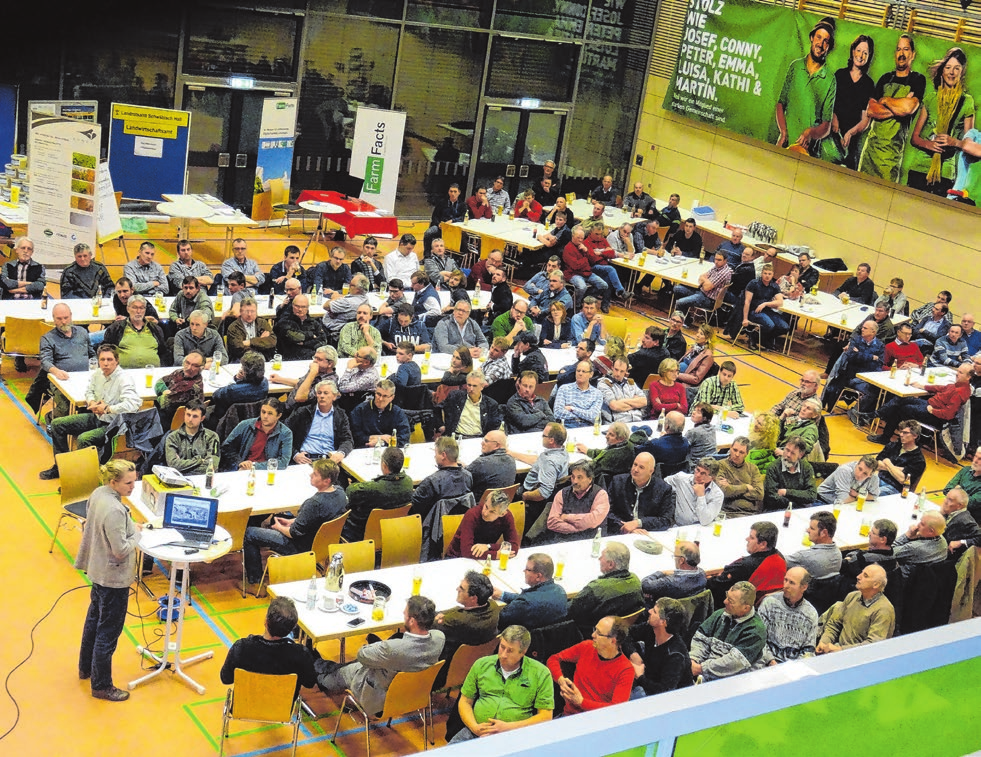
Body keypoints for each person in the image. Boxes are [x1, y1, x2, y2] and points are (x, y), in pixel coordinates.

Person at [75, 459, 142, 701]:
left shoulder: (98, 493)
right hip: (113, 578)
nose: (133, 486)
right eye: (128, 483)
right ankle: (102, 684)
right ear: (113, 482)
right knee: (108, 632)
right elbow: (120, 550)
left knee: (94, 619)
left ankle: (85, 667)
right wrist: (136, 532)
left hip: (98, 570)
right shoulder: (115, 510)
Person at [314, 596, 445, 716]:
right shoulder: (439, 639)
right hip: (411, 695)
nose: (403, 615)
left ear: (412, 621)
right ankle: (322, 664)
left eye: (405, 614)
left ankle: (318, 676)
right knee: (357, 663)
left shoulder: (392, 649)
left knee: (341, 673)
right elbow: (432, 631)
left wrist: (380, 646)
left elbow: (362, 654)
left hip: (377, 697)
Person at [41, 345, 141, 480]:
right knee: (57, 424)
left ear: (117, 361)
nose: (106, 363)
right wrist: (92, 402)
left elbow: (133, 404)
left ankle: (83, 480)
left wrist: (108, 408)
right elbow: (89, 391)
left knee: (84, 439)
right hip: (97, 417)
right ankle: (60, 468)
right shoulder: (97, 374)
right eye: (103, 359)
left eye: (110, 359)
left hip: (114, 425)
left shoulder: (124, 379)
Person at [243, 459, 347, 586]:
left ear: (326, 481)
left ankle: (255, 581)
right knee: (283, 515)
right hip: (322, 544)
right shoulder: (340, 492)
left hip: (300, 547)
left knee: (249, 533)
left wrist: (278, 527)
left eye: (315, 474)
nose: (310, 475)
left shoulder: (315, 503)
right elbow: (313, 519)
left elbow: (292, 533)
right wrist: (291, 521)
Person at [449, 624, 554, 744]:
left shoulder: (540, 673)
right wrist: (475, 727)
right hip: (476, 731)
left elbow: (546, 716)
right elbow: (465, 701)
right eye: (502, 647)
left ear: (523, 652)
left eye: (510, 650)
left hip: (516, 734)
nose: (503, 655)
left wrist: (508, 728)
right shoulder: (481, 664)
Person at [857, 33, 927, 182]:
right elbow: (871, 110)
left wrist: (885, 100)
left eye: (906, 49)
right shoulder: (884, 78)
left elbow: (909, 108)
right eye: (898, 49)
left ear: (913, 55)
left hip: (891, 156)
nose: (901, 53)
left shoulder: (918, 80)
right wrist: (897, 108)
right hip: (870, 152)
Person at [867, 362, 972, 460]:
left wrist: (933, 411)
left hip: (934, 415)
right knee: (902, 399)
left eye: (960, 373)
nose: (957, 374)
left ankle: (885, 434)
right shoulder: (957, 385)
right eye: (957, 371)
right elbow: (942, 388)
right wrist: (923, 386)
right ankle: (876, 415)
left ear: (968, 377)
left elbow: (948, 414)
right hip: (929, 405)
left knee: (903, 409)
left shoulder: (960, 393)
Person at [907, 47, 974, 196]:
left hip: (945, 172)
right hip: (920, 167)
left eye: (957, 68)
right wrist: (928, 144)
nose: (952, 72)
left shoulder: (966, 102)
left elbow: (969, 145)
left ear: (962, 72)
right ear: (942, 71)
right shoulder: (931, 98)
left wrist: (953, 142)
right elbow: (915, 138)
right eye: (948, 67)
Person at [219, 597, 317, 696]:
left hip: (245, 706)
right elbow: (309, 683)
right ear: (293, 627)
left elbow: (226, 679)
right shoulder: (301, 654)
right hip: (281, 709)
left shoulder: (241, 648)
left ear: (265, 622)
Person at [547, 616, 633, 716]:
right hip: (569, 715)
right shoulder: (586, 647)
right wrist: (561, 680)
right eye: (594, 629)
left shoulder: (625, 670)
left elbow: (616, 709)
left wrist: (581, 702)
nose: (593, 635)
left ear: (613, 641)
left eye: (598, 633)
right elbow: (553, 659)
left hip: (598, 720)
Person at [774, 16, 837, 152]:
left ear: (829, 47)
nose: (821, 44)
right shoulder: (795, 67)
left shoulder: (830, 79)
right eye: (819, 37)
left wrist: (810, 133)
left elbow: (826, 125)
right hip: (785, 145)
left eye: (826, 41)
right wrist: (783, 132)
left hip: (808, 151)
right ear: (811, 38)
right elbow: (780, 104)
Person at [689, 581, 767, 681]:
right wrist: (693, 660)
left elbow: (733, 663)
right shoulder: (719, 615)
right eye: (727, 596)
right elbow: (700, 639)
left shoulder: (755, 631)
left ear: (745, 608)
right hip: (706, 674)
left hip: (736, 681)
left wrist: (701, 668)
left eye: (731, 601)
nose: (725, 601)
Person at [28, 303, 95, 417]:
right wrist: (56, 371)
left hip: (84, 378)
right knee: (65, 406)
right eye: (59, 319)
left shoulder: (83, 332)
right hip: (61, 381)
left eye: (66, 318)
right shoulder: (47, 338)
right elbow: (45, 361)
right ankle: (51, 418)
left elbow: (92, 354)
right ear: (53, 319)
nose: (63, 322)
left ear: (71, 316)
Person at [340, 447, 414, 543]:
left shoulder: (373, 489)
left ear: (384, 465)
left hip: (361, 532)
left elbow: (350, 491)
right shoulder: (408, 482)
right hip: (393, 531)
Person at [816, 565, 895, 653]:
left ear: (876, 584)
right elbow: (834, 624)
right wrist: (824, 642)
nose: (858, 577)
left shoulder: (883, 610)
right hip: (839, 651)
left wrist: (840, 650)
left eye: (865, 576)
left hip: (862, 658)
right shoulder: (852, 596)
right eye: (861, 572)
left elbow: (873, 645)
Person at [625, 598, 693, 698]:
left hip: (671, 698)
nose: (649, 611)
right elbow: (626, 634)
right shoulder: (651, 629)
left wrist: (640, 677)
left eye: (654, 611)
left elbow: (664, 692)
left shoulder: (675, 656)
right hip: (648, 679)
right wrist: (633, 653)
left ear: (663, 622)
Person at [707, 522, 787, 606]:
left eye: (751, 538)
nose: (747, 539)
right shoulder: (781, 558)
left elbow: (715, 585)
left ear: (763, 544)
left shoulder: (744, 566)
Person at [435, 571, 500, 664]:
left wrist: (439, 617)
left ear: (473, 598)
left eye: (461, 589)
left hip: (451, 664)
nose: (457, 589)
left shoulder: (458, 620)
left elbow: (430, 626)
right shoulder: (493, 607)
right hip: (477, 662)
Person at [833, 34, 877, 170]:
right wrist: (834, 119)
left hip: (852, 143)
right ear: (852, 51)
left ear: (869, 57)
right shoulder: (839, 75)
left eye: (865, 53)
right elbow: (828, 104)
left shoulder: (869, 84)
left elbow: (865, 120)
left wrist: (850, 133)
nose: (861, 55)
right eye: (858, 50)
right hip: (831, 133)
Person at [757, 567, 819, 664]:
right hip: (765, 661)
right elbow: (759, 638)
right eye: (785, 580)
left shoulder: (811, 614)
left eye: (792, 583)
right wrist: (770, 660)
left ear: (804, 587)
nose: (785, 586)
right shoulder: (769, 603)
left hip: (794, 667)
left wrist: (795, 667)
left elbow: (809, 650)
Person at [286, 380, 354, 464]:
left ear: (334, 396)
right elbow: (284, 434)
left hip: (329, 460)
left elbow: (347, 440)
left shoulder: (340, 415)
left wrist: (340, 453)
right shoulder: (303, 412)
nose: (322, 396)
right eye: (319, 393)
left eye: (326, 393)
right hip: (306, 459)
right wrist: (295, 454)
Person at [493, 554, 568, 630]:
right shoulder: (560, 591)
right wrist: (503, 595)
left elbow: (497, 620)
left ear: (538, 576)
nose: (524, 571)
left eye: (527, 569)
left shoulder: (524, 604)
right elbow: (531, 598)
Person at [221, 398, 294, 472]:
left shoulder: (285, 433)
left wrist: (253, 466)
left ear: (278, 416)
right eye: (263, 412)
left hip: (269, 471)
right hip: (244, 469)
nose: (265, 416)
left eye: (270, 413)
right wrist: (239, 462)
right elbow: (226, 447)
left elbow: (283, 462)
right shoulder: (245, 425)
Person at [546, 459, 611, 543]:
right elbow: (552, 523)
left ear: (590, 479)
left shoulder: (600, 495)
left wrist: (566, 517)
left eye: (579, 477)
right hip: (564, 541)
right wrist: (577, 528)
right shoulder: (562, 493)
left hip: (591, 541)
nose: (575, 481)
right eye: (573, 477)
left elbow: (593, 521)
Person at [409, 436, 473, 518]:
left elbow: (416, 505)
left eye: (435, 453)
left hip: (435, 526)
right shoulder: (468, 476)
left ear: (443, 455)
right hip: (460, 522)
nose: (434, 457)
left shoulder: (432, 482)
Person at [102, 295, 169, 368]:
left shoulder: (155, 329)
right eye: (135, 307)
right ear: (128, 309)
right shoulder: (116, 328)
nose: (138, 311)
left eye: (142, 308)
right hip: (124, 374)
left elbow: (164, 353)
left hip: (152, 372)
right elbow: (105, 351)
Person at [511, 422, 569, 505]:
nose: (542, 437)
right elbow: (536, 460)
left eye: (544, 436)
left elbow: (544, 492)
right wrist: (512, 453)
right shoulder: (563, 453)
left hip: (530, 493)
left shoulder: (548, 462)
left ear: (551, 440)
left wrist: (525, 495)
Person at [872, 419, 928, 496]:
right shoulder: (893, 445)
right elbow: (876, 464)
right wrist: (900, 469)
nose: (901, 435)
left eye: (905, 433)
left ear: (915, 436)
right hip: (878, 479)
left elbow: (903, 480)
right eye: (901, 432)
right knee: (858, 485)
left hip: (895, 488)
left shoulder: (918, 460)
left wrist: (888, 463)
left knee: (870, 494)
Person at [348, 380, 411, 448]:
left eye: (385, 396)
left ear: (392, 398)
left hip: (388, 450)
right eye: (378, 394)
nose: (380, 399)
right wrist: (380, 437)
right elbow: (353, 435)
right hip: (364, 448)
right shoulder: (360, 410)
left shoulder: (398, 413)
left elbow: (404, 439)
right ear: (375, 393)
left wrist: (381, 443)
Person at [164, 400, 219, 475]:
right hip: (179, 480)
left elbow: (213, 466)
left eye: (195, 416)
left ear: (202, 418)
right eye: (188, 415)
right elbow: (173, 465)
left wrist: (182, 468)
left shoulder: (212, 437)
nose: (190, 419)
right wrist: (199, 460)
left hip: (203, 479)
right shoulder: (172, 437)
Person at [763, 436, 817, 512]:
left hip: (801, 509)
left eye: (792, 453)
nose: (788, 455)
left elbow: (812, 495)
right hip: (778, 509)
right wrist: (797, 502)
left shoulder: (806, 467)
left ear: (800, 455)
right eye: (787, 450)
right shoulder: (773, 467)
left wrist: (786, 492)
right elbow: (771, 497)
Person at [641, 541, 706, 602]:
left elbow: (645, 584)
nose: (674, 559)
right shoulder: (702, 574)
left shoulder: (670, 582)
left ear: (681, 560)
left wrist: (662, 573)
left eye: (675, 556)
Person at [665, 458, 724, 526]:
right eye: (697, 470)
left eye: (703, 473)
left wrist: (701, 496)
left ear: (712, 478)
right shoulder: (681, 479)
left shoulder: (717, 494)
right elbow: (662, 485)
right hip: (679, 526)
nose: (698, 475)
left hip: (703, 527)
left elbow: (705, 521)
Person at [742, 264, 787, 350]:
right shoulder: (753, 283)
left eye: (769, 274)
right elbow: (747, 302)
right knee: (769, 325)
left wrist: (765, 304)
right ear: (761, 273)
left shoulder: (774, 286)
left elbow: (780, 302)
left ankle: (764, 340)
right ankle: (753, 337)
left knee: (784, 327)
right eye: (765, 273)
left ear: (773, 274)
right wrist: (745, 318)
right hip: (755, 311)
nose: (767, 276)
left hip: (767, 311)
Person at [786, 511, 842, 579]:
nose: (807, 530)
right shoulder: (838, 554)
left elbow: (779, 562)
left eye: (812, 528)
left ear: (824, 533)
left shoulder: (804, 557)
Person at [674, 251, 732, 316]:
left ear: (725, 261)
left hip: (709, 300)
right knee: (677, 288)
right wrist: (706, 281)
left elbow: (707, 287)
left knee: (680, 302)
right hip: (701, 292)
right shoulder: (717, 267)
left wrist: (705, 280)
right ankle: (686, 315)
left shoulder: (724, 272)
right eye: (715, 259)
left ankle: (684, 321)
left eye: (719, 260)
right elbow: (701, 277)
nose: (716, 262)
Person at [717, 436, 765, 515]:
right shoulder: (721, 465)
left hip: (750, 513)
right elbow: (724, 491)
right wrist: (746, 487)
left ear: (747, 453)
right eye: (735, 450)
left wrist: (731, 487)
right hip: (728, 512)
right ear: (730, 448)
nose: (737, 454)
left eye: (741, 452)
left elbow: (759, 494)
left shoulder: (753, 469)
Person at [892, 511, 948, 577]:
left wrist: (907, 535)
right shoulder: (943, 541)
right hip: (927, 578)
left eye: (922, 524)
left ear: (931, 531)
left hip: (902, 578)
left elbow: (888, 552)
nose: (918, 525)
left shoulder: (915, 548)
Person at [273, 294, 327, 361]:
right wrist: (311, 335)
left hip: (311, 357)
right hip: (289, 358)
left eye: (303, 307)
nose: (300, 309)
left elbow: (323, 341)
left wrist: (305, 343)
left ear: (307, 308)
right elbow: (296, 338)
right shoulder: (284, 322)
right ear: (292, 306)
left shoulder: (314, 323)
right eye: (297, 306)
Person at [466, 431, 516, 502]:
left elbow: (463, 477)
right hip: (502, 504)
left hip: (481, 505)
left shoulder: (481, 463)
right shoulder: (511, 460)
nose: (482, 443)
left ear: (497, 445)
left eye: (486, 441)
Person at [227, 297, 277, 361]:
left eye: (252, 311)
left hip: (264, 358)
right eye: (246, 311)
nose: (249, 314)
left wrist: (249, 342)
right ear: (241, 311)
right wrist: (261, 341)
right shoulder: (234, 327)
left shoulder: (262, 323)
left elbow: (272, 341)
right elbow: (238, 347)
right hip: (241, 359)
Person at [598, 358, 646, 424]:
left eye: (622, 371)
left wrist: (622, 402)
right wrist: (634, 403)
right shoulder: (604, 383)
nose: (618, 374)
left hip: (637, 420)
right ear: (612, 367)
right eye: (616, 369)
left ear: (626, 371)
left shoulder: (630, 382)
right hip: (618, 423)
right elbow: (614, 406)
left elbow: (644, 401)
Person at [938, 487, 981, 559]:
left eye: (950, 500)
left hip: (947, 556)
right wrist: (941, 513)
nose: (945, 501)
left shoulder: (965, 520)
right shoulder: (950, 512)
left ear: (959, 505)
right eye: (946, 498)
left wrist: (961, 542)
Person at [647, 410, 690, 478]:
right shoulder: (686, 443)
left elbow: (637, 450)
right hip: (680, 477)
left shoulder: (655, 444)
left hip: (660, 479)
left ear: (666, 426)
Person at [945, 448, 981, 520]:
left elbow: (969, 504)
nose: (975, 461)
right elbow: (947, 489)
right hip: (949, 512)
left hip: (966, 520)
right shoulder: (965, 470)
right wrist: (962, 495)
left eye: (980, 459)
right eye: (975, 456)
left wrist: (957, 490)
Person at [685, 403, 717, 469]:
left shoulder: (693, 432)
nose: (693, 412)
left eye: (698, 412)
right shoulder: (713, 429)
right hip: (710, 465)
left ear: (704, 418)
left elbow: (681, 447)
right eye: (694, 410)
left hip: (695, 466)